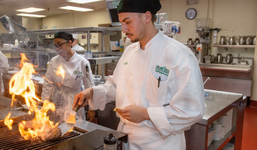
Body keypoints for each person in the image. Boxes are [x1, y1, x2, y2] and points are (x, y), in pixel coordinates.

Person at [73, 0, 205, 149]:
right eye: (122, 23)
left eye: (127, 22)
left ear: (147, 17)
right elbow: (117, 86)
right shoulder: (130, 51)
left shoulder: (178, 55)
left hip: (160, 142)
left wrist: (146, 114)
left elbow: (191, 110)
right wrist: (92, 92)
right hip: (127, 137)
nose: (124, 29)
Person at [41, 31, 94, 121]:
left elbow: (90, 87)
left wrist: (92, 109)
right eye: (55, 46)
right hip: (57, 102)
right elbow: (48, 84)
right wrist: (44, 103)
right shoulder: (54, 61)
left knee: (75, 128)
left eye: (60, 44)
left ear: (70, 43)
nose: (57, 48)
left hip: (75, 103)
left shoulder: (82, 62)